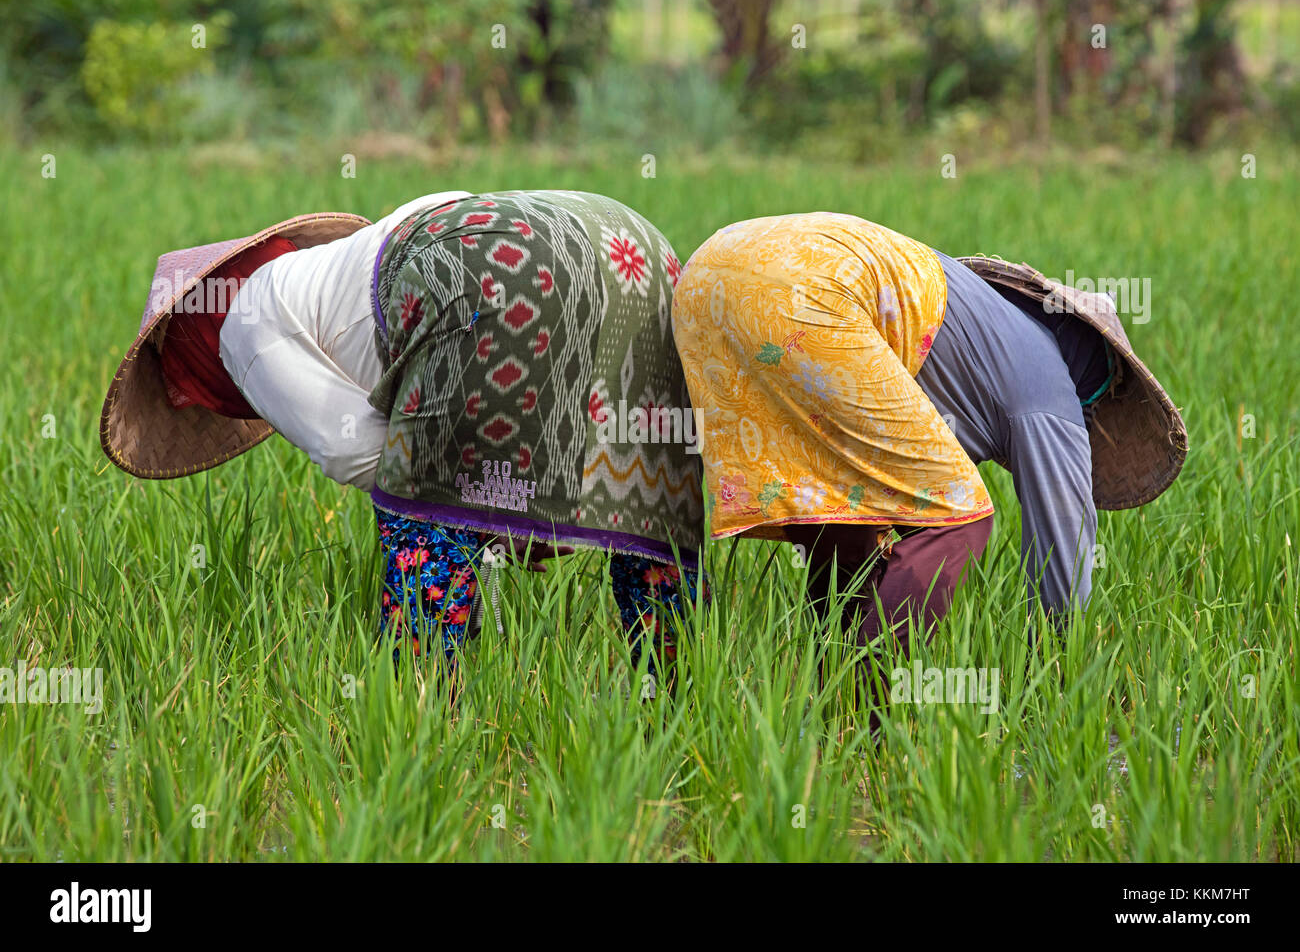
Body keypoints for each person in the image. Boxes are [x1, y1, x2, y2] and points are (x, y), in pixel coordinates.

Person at [100, 190, 705, 679]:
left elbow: (353, 446)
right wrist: (514, 510)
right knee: (650, 480)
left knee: (416, 495)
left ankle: (425, 714)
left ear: (195, 350)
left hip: (485, 271)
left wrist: (488, 514)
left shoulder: (240, 323)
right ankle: (677, 699)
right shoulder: (339, 264)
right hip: (628, 241)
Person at [670, 211, 1186, 678]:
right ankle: (856, 706)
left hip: (708, 275)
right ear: (1096, 371)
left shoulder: (985, 323)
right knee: (958, 517)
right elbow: (1064, 553)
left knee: (846, 508)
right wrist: (1055, 676)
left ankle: (832, 697)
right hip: (814, 293)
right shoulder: (1054, 395)